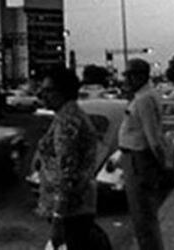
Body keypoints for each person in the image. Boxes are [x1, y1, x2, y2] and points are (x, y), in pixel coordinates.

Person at [34, 65, 111, 250]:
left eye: (48, 90)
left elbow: (67, 173)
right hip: (76, 206)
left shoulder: (68, 122)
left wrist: (58, 218)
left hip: (72, 210)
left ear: (64, 92)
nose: (41, 95)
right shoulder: (67, 115)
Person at [118, 58, 172, 250]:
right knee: (143, 216)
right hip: (136, 159)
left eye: (130, 76)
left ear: (141, 76)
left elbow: (153, 137)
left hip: (139, 160)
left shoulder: (144, 99)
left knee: (143, 217)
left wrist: (163, 165)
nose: (127, 80)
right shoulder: (144, 96)